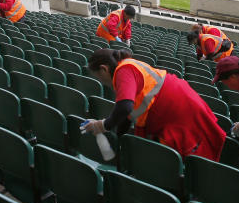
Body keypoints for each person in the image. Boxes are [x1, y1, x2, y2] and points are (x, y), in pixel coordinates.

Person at [83, 48, 226, 160]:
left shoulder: (124, 70)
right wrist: (118, 140)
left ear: (104, 69)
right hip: (174, 105)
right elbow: (128, 114)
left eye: (99, 77)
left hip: (178, 107)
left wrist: (102, 125)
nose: (101, 82)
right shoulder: (125, 70)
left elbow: (125, 106)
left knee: (190, 150)